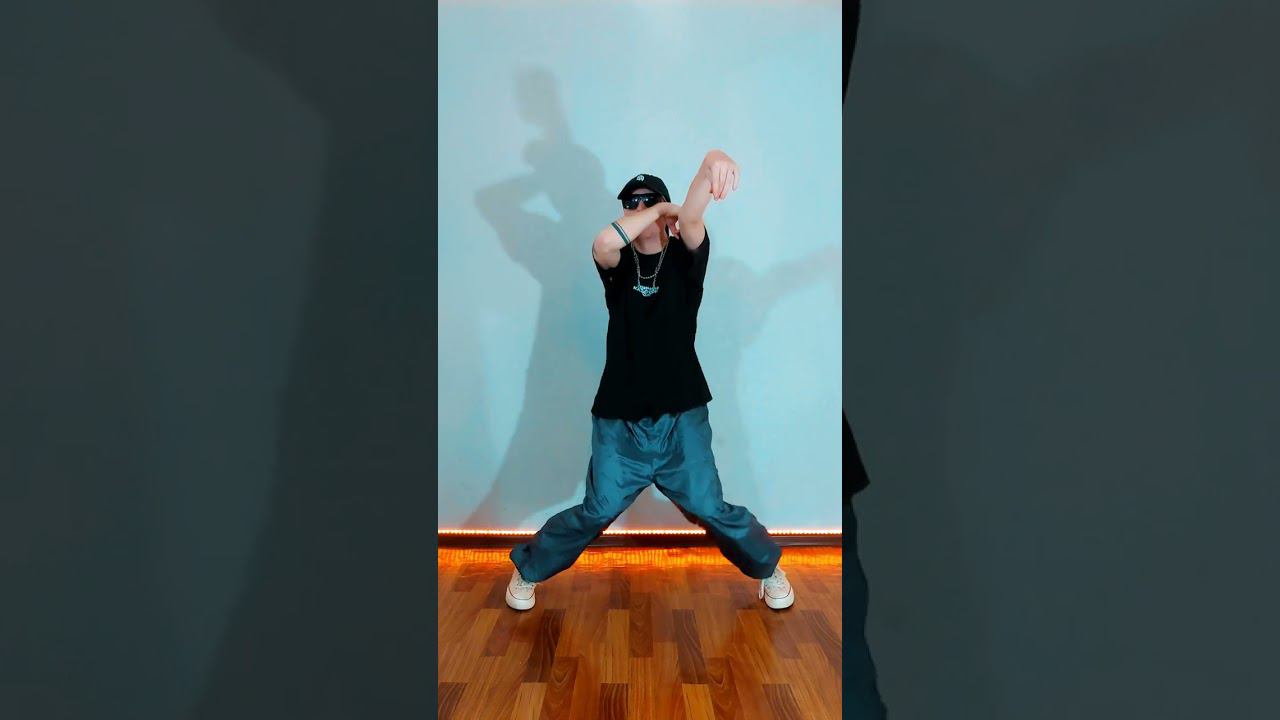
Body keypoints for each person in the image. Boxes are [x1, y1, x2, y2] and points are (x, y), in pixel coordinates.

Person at [505, 149, 793, 611]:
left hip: (682, 417)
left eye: (649, 201)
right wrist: (659, 210)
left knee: (710, 507)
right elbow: (604, 240)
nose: (639, 209)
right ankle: (528, 568)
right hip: (620, 421)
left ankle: (768, 568)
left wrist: (711, 161)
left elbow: (694, 217)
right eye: (630, 203)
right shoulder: (616, 266)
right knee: (597, 509)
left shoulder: (686, 260)